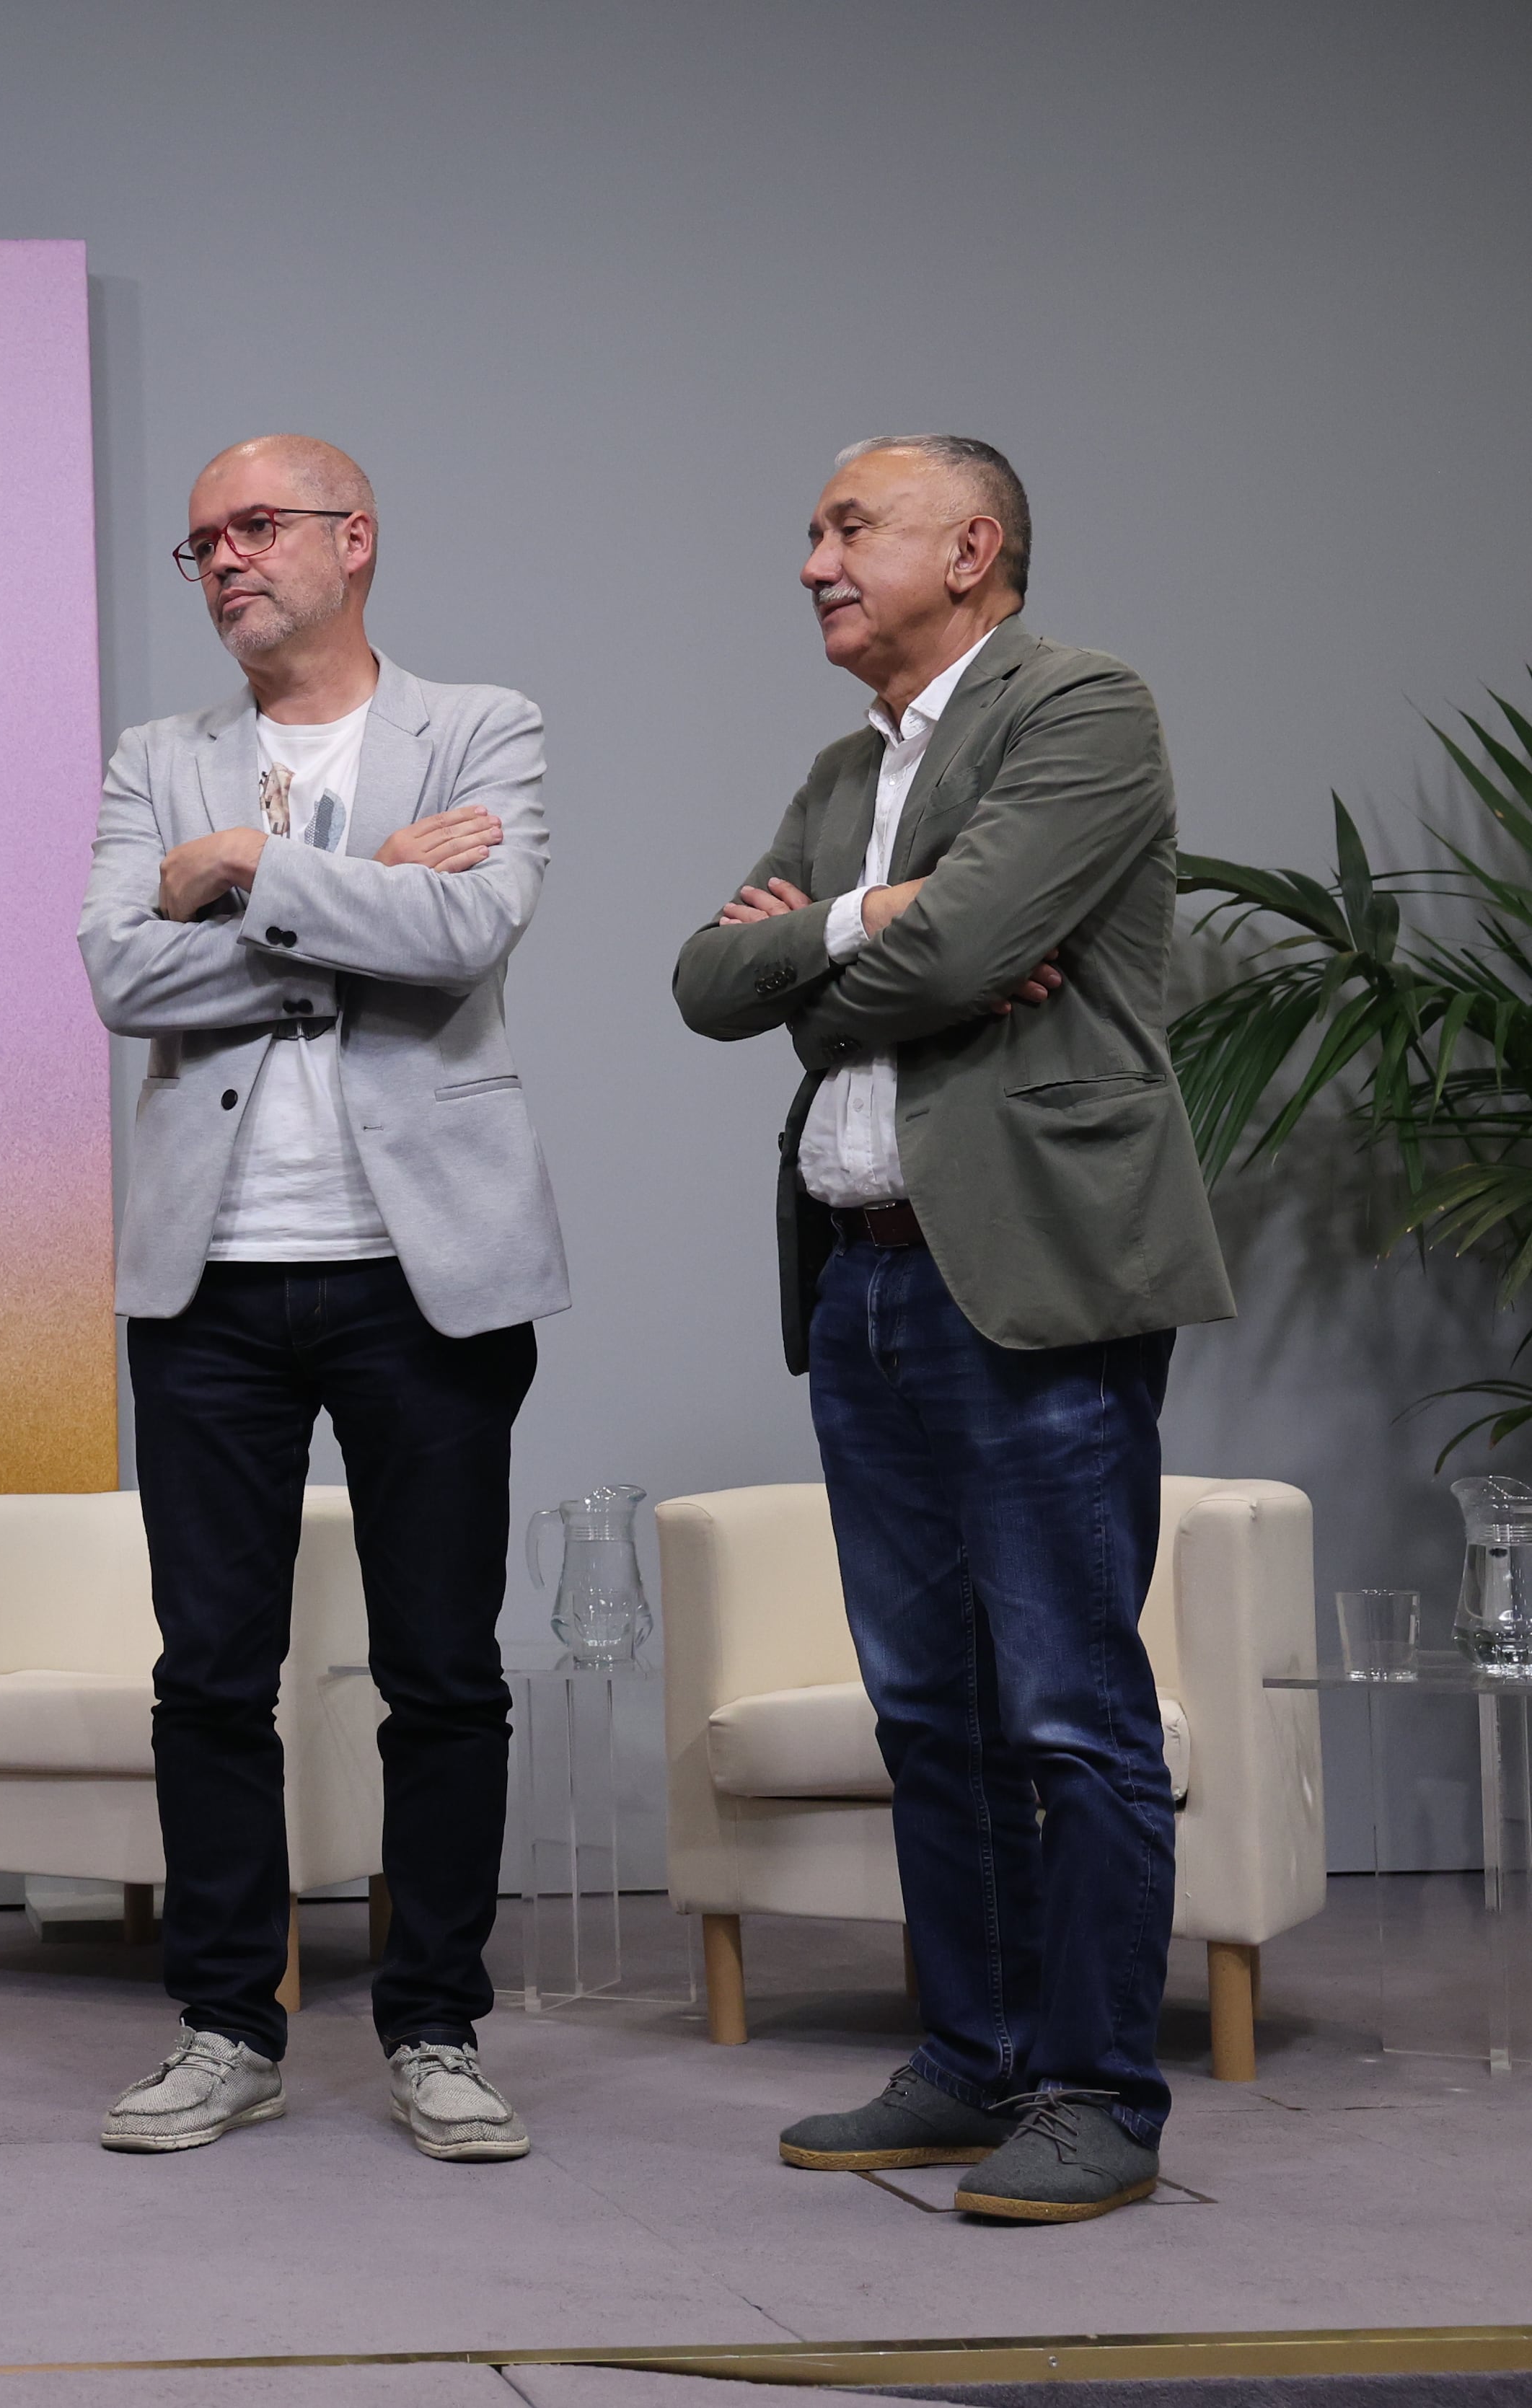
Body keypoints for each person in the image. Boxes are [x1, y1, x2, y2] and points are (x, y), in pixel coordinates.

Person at [672, 437, 1233, 2223]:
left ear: (972, 546)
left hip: (1034, 1275)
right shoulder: (850, 771)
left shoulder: (1081, 709)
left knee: (1072, 1709)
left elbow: (947, 949)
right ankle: (972, 2053)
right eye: (815, 532)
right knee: (930, 1707)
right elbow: (704, 980)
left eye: (851, 527)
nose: (814, 561)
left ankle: (1095, 2091)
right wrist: (875, 920)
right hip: (860, 1280)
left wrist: (844, 958)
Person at [77, 436, 568, 2162]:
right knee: (211, 1669)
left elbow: (467, 934)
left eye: (256, 527)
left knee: (442, 1669)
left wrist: (240, 874)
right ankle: (227, 2026)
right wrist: (366, 893)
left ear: (353, 541)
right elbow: (117, 972)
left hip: (421, 1269)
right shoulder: (159, 754)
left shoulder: (478, 723)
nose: (222, 560)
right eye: (198, 541)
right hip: (208, 1274)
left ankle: (432, 2026)